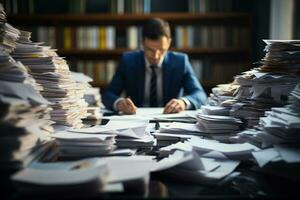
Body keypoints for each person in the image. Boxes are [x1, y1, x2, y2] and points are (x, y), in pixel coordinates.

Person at [102, 18, 207, 114]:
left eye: (161, 50)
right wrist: (119, 103)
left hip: (170, 121)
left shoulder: (181, 62)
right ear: (142, 43)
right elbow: (108, 94)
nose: (156, 56)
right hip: (136, 120)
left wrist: (183, 102)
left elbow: (200, 94)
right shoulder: (128, 61)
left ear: (169, 43)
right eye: (150, 50)